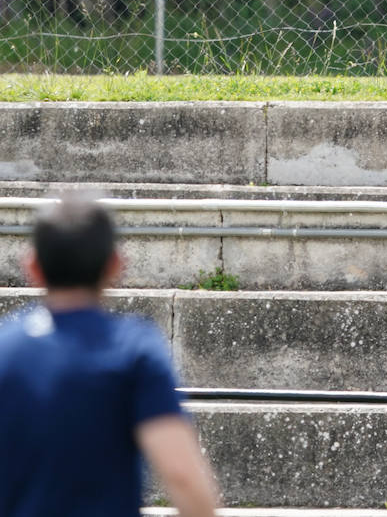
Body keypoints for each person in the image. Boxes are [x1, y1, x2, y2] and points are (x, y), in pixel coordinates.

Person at [0, 194, 221, 517]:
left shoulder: (6, 348)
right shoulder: (134, 350)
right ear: (115, 264)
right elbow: (182, 476)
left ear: (32, 266)